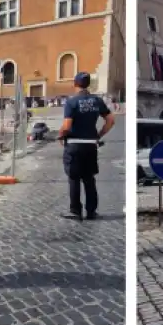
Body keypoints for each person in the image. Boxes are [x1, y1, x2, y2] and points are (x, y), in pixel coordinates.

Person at [58, 72, 115, 221]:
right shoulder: (97, 101)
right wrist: (99, 135)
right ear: (88, 84)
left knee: (74, 178)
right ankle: (91, 211)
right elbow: (110, 120)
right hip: (91, 145)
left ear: (75, 84)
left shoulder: (72, 102)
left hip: (74, 144)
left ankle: (75, 210)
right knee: (89, 178)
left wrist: (60, 135)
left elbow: (67, 125)